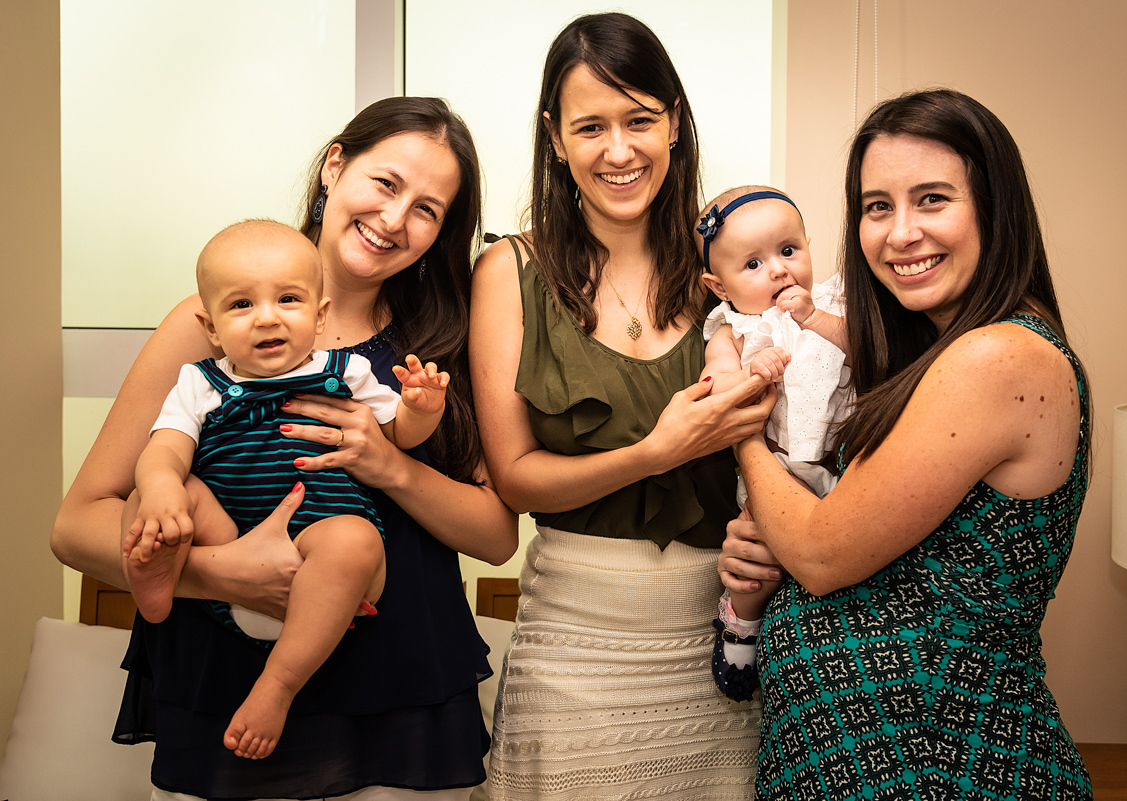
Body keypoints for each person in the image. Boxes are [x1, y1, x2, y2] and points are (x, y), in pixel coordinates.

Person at [51, 97, 518, 800]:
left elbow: (495, 536)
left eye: (427, 208)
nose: (394, 219)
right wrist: (220, 572)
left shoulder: (440, 342)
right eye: (385, 184)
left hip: (402, 690)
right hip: (228, 689)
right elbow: (76, 524)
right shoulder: (205, 327)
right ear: (335, 165)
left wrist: (388, 464)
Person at [717, 89, 1093, 799]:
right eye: (877, 206)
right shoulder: (933, 354)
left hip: (937, 763)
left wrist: (744, 436)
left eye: (932, 199)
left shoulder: (998, 357)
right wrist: (766, 536)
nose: (900, 233)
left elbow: (825, 552)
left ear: (994, 207)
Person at [470, 13, 774, 801]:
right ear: (555, 136)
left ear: (674, 121)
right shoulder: (509, 270)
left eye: (640, 119)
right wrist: (655, 452)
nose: (618, 150)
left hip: (723, 646)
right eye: (590, 126)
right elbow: (515, 478)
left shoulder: (732, 264)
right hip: (572, 649)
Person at [122, 219, 452, 760]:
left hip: (326, 564)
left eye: (288, 299)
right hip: (231, 557)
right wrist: (161, 491)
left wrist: (420, 409)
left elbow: (397, 436)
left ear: (320, 316)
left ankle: (275, 687)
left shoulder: (346, 372)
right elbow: (164, 447)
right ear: (210, 326)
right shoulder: (201, 382)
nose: (267, 317)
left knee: (355, 539)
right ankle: (159, 570)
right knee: (159, 493)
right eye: (241, 305)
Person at [693, 186, 851, 699]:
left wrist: (814, 319)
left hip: (841, 466)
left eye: (788, 251)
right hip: (773, 471)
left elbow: (872, 353)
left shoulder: (834, 301)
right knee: (755, 559)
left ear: (809, 244)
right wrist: (750, 375)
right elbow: (714, 389)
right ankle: (742, 625)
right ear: (719, 286)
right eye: (754, 264)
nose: (780, 270)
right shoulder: (732, 329)